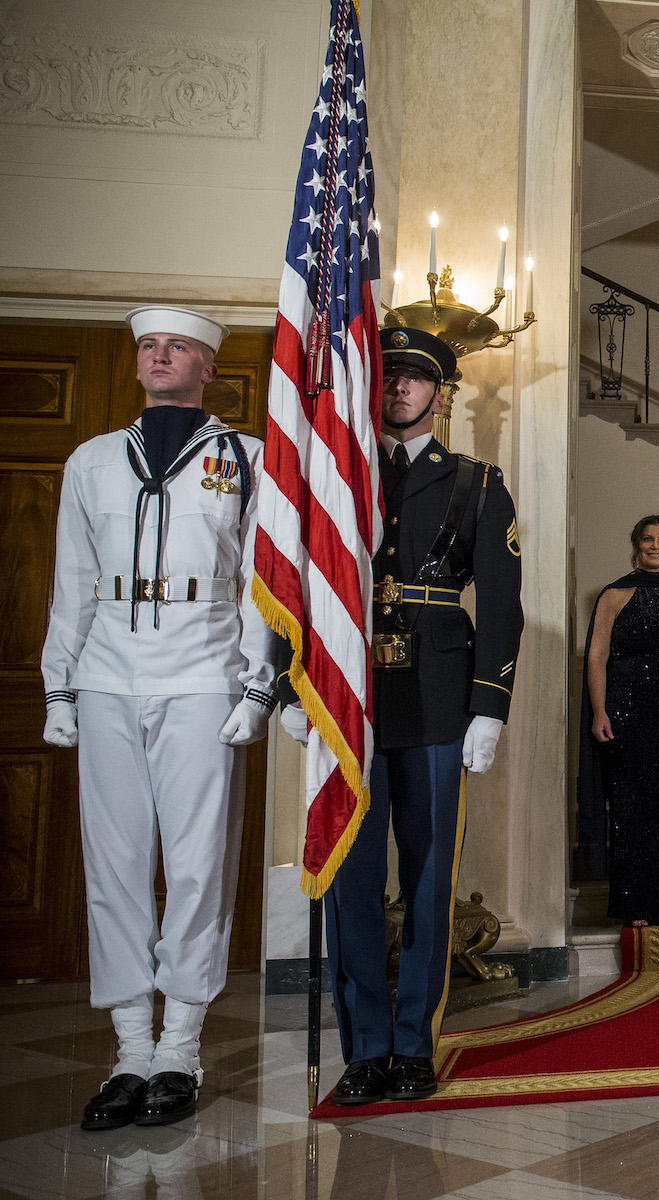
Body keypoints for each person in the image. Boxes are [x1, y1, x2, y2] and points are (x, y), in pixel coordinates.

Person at [40, 305, 278, 1129]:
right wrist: (59, 687)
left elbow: (261, 583)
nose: (160, 355)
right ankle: (130, 1050)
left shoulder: (246, 458)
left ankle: (179, 1045)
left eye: (178, 346)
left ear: (209, 366)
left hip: (203, 672)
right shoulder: (92, 459)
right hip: (109, 672)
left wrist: (257, 686)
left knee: (197, 864)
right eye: (149, 345)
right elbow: (72, 581)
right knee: (113, 865)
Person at [288, 326, 524, 1106]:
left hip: (439, 700)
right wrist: (292, 687)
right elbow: (299, 583)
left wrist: (489, 706)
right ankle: (365, 1048)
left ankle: (414, 1044)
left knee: (427, 878)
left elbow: (502, 605)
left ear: (441, 395)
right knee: (352, 875)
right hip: (349, 699)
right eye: (389, 376)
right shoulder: (339, 476)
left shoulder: (478, 483)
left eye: (416, 378)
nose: (399, 388)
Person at [583, 516, 659, 927]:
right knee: (633, 807)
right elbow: (597, 656)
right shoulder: (614, 594)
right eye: (648, 539)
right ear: (636, 545)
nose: (656, 546)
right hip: (629, 711)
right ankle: (635, 904)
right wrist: (600, 710)